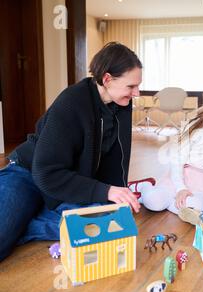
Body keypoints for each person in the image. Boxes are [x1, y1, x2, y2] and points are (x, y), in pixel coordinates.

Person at [0, 42, 148, 262]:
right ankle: (21, 216)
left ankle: (25, 218)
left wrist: (116, 196)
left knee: (102, 224)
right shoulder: (72, 103)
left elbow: (117, 161)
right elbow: (46, 173)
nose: (136, 92)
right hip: (29, 173)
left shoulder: (121, 104)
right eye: (131, 86)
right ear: (107, 79)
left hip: (67, 183)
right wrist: (105, 191)